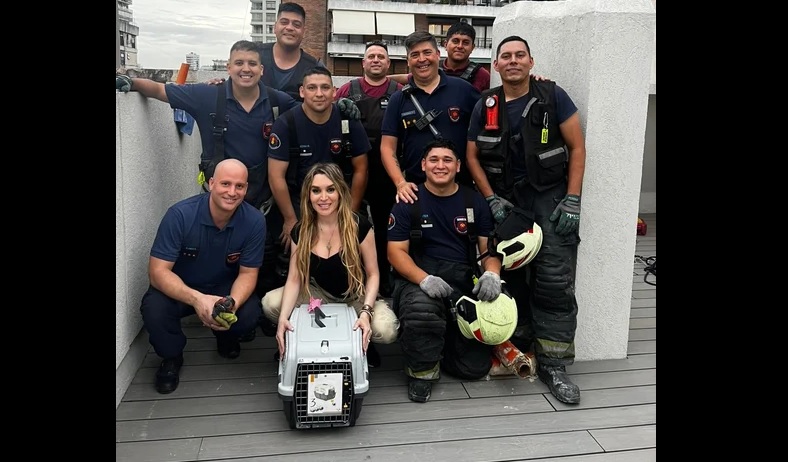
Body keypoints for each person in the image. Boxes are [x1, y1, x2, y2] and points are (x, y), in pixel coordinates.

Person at [465, 36, 587, 404]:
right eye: (506, 56)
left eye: (520, 55)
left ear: (531, 62)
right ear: (496, 66)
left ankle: (554, 363)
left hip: (549, 197)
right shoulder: (485, 104)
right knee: (510, 275)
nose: (513, 61)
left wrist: (573, 200)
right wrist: (490, 198)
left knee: (553, 279)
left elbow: (577, 147)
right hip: (506, 200)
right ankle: (517, 346)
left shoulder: (553, 96)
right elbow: (471, 156)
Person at [115, 40, 299, 211]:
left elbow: (310, 112)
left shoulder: (277, 101)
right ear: (228, 68)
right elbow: (160, 90)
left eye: (252, 64)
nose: (246, 69)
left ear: (261, 70)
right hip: (216, 207)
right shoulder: (206, 95)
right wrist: (132, 82)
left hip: (261, 208)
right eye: (239, 63)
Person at [139, 159, 266, 394]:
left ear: (246, 189)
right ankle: (171, 357)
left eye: (239, 186)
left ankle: (226, 337)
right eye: (225, 184)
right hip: (182, 288)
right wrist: (198, 299)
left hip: (223, 288)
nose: (232, 192)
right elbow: (157, 272)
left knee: (249, 313)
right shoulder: (179, 215)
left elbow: (248, 274)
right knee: (154, 308)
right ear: (210, 183)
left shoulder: (255, 221)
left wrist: (231, 304)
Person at [387, 139, 500, 403]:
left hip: (462, 281)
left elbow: (489, 250)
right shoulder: (408, 201)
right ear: (423, 165)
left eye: (448, 160)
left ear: (459, 166)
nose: (441, 165)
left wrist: (492, 274)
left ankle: (446, 344)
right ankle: (422, 373)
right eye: (434, 160)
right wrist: (423, 278)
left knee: (473, 369)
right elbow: (395, 253)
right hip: (418, 280)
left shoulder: (474, 202)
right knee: (422, 311)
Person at [263, 163, 399, 366]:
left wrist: (366, 311)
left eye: (330, 189)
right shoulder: (301, 231)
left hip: (356, 296)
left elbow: (373, 275)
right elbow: (294, 278)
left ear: (341, 192)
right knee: (270, 303)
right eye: (316, 191)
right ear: (308, 195)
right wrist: (283, 319)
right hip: (317, 293)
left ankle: (363, 342)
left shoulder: (359, 226)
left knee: (387, 330)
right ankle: (297, 340)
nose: (323, 197)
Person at [334, 40, 403, 297]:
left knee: (387, 228)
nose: (376, 60)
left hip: (388, 173)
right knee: (353, 226)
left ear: (388, 63)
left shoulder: (399, 91)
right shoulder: (346, 90)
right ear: (363, 63)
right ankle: (354, 278)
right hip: (352, 173)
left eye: (381, 57)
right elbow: (326, 118)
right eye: (371, 56)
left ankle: (384, 279)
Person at [380, 31, 481, 205]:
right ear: (408, 62)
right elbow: (387, 148)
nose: (422, 59)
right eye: (415, 55)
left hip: (461, 189)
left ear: (437, 55)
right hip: (416, 191)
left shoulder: (464, 90)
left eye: (427, 52)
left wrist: (532, 82)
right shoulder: (398, 99)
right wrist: (400, 183)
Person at [390, 22, 491, 93]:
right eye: (455, 41)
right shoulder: (433, 68)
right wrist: (378, 79)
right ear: (445, 44)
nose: (460, 46)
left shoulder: (482, 75)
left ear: (472, 47)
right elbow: (407, 77)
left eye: (465, 42)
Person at [260, 2, 323, 102]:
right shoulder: (255, 56)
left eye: (296, 25)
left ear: (303, 31)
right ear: (275, 27)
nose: (289, 28)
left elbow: (323, 102)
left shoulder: (314, 67)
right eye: (284, 22)